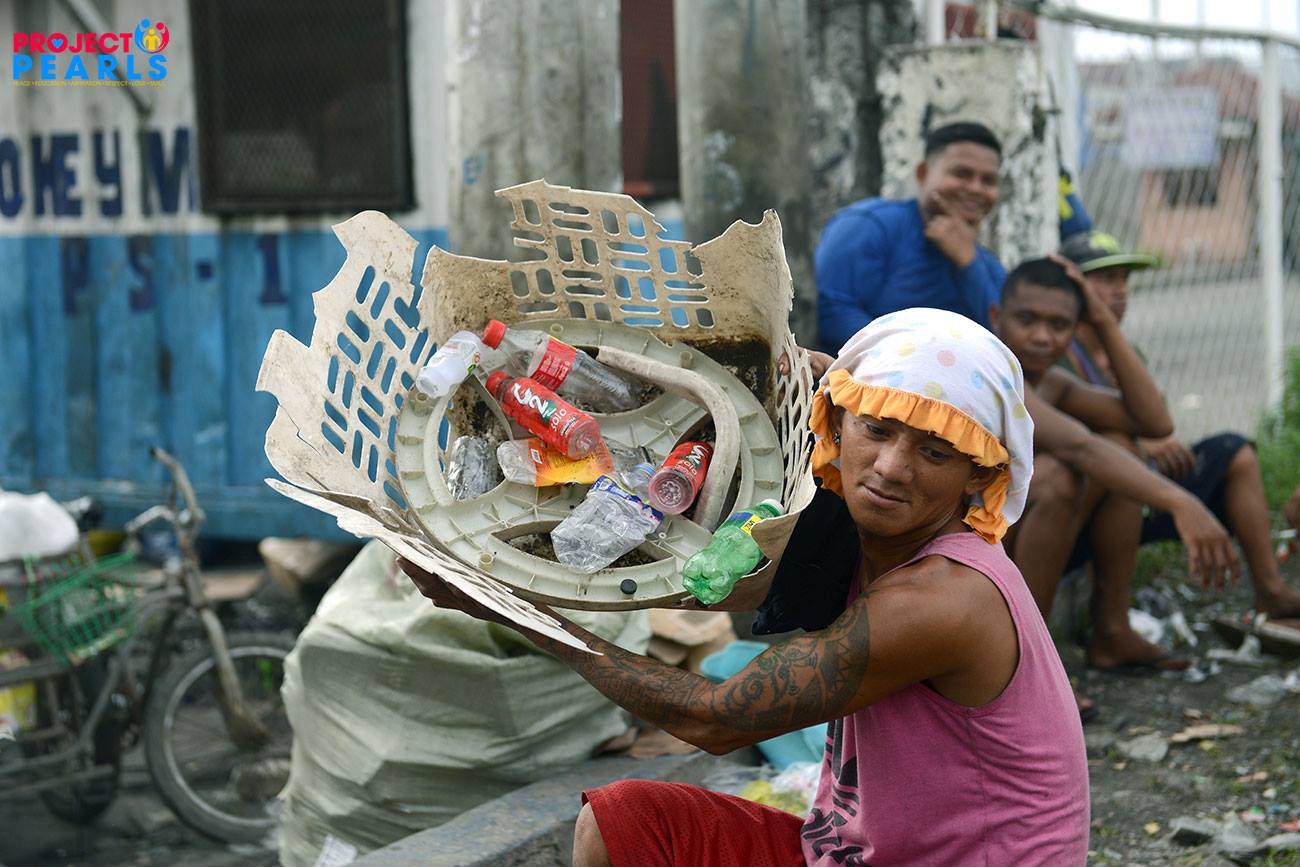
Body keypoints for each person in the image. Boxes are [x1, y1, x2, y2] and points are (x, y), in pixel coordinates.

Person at [401, 308, 1090, 866]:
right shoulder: (871, 534)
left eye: (933, 452)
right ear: (838, 423)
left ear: (978, 476)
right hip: (846, 851)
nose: (890, 468)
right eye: (876, 430)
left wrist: (519, 613)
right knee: (624, 822)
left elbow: (715, 718)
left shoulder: (943, 598)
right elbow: (724, 558)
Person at [989, 258, 1241, 681]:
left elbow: (1154, 421)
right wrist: (1181, 502)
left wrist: (1104, 322)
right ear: (997, 317)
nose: (1042, 337)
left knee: (1121, 447)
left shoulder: (1053, 383)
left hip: (1008, 536)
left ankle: (1112, 630)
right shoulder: (995, 369)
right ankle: (1024, 666)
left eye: (1059, 325)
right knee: (1058, 477)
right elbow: (1078, 445)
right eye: (1027, 320)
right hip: (958, 544)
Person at [1056, 231, 1300, 622]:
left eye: (1124, 279)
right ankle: (1109, 625)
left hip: (1143, 484)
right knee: (1122, 449)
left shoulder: (1126, 352)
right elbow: (1074, 436)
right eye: (1105, 279)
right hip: (1093, 496)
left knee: (1234, 451)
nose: (1120, 291)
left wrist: (1151, 443)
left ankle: (1270, 590)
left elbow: (1158, 421)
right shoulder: (1057, 351)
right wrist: (1143, 445)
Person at [815, 122, 1006, 352]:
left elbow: (1004, 344)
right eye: (961, 174)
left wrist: (968, 263)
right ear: (923, 174)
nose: (976, 188)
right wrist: (908, 358)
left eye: (988, 180)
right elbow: (829, 307)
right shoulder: (871, 224)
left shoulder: (989, 268)